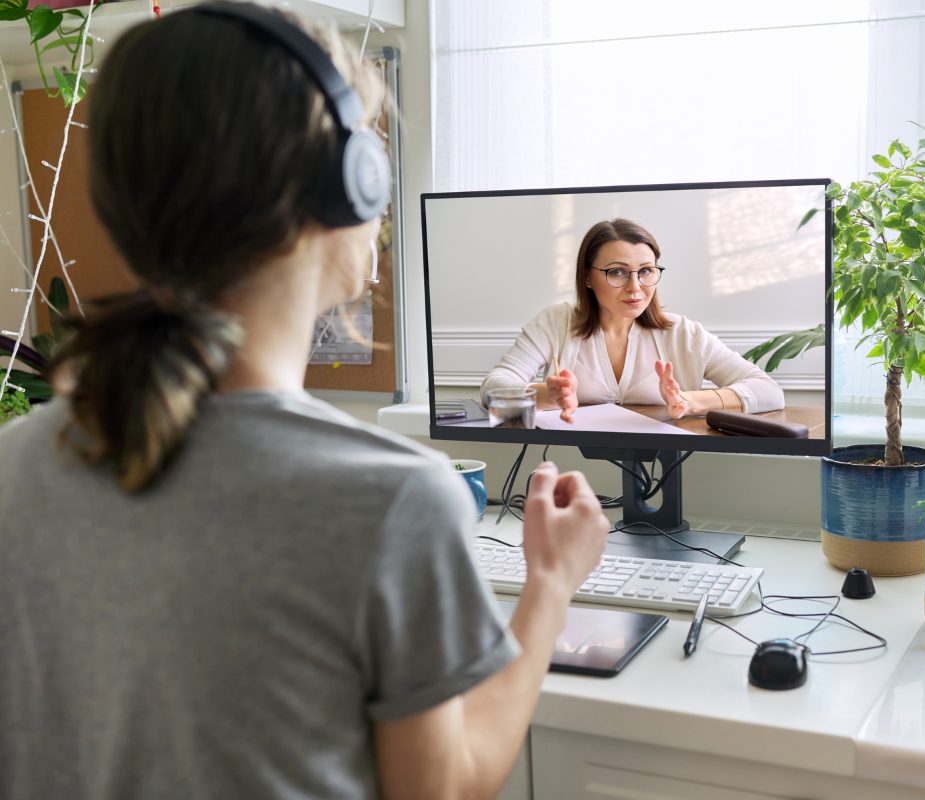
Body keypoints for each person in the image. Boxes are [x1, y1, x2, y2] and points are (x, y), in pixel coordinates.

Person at [0, 5, 608, 799]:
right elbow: (445, 787)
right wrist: (551, 586)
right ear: (350, 185)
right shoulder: (391, 499)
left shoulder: (15, 466)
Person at [481, 218, 784, 423]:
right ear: (587, 277)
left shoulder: (684, 334)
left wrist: (692, 401)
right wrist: (546, 395)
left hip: (671, 471)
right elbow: (493, 388)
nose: (635, 287)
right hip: (572, 471)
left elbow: (768, 391)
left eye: (646, 271)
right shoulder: (555, 322)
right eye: (617, 272)